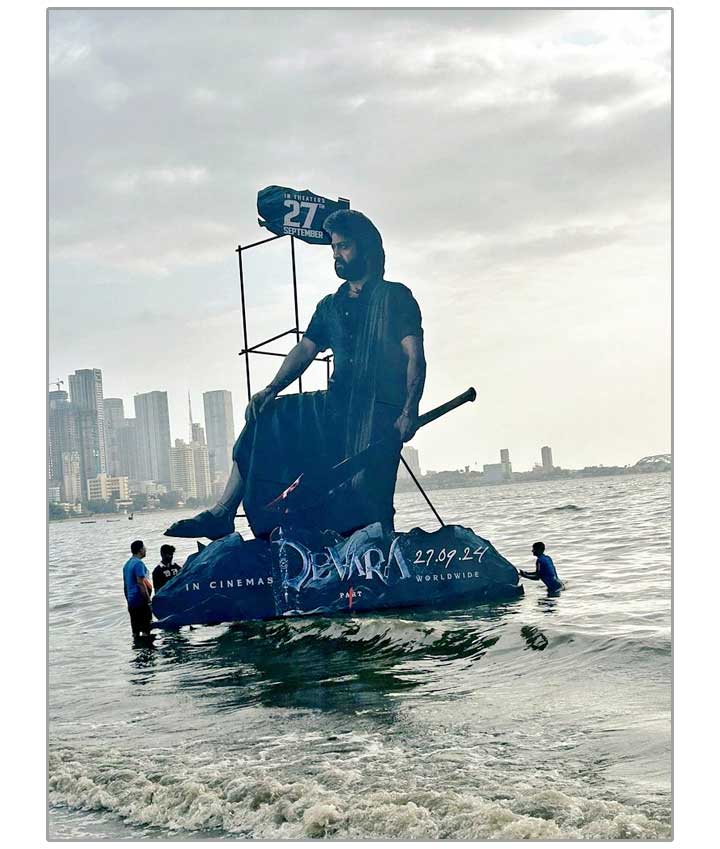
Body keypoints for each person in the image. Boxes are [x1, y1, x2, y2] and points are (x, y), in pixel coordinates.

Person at [166, 209, 426, 541]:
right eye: (333, 248)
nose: (337, 255)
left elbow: (415, 357)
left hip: (379, 409)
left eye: (344, 246)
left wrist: (409, 411)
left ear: (367, 248)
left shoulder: (395, 297)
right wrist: (270, 389)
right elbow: (305, 350)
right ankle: (223, 512)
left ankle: (373, 540)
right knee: (264, 416)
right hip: (335, 405)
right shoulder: (330, 306)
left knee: (366, 493)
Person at [123, 540, 153, 636]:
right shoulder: (138, 564)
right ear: (140, 550)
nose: (145, 550)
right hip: (140, 600)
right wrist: (148, 600)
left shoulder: (127, 565)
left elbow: (125, 586)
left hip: (131, 602)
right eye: (144, 548)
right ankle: (147, 648)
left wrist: (128, 600)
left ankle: (137, 648)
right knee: (146, 631)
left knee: (135, 632)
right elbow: (141, 583)